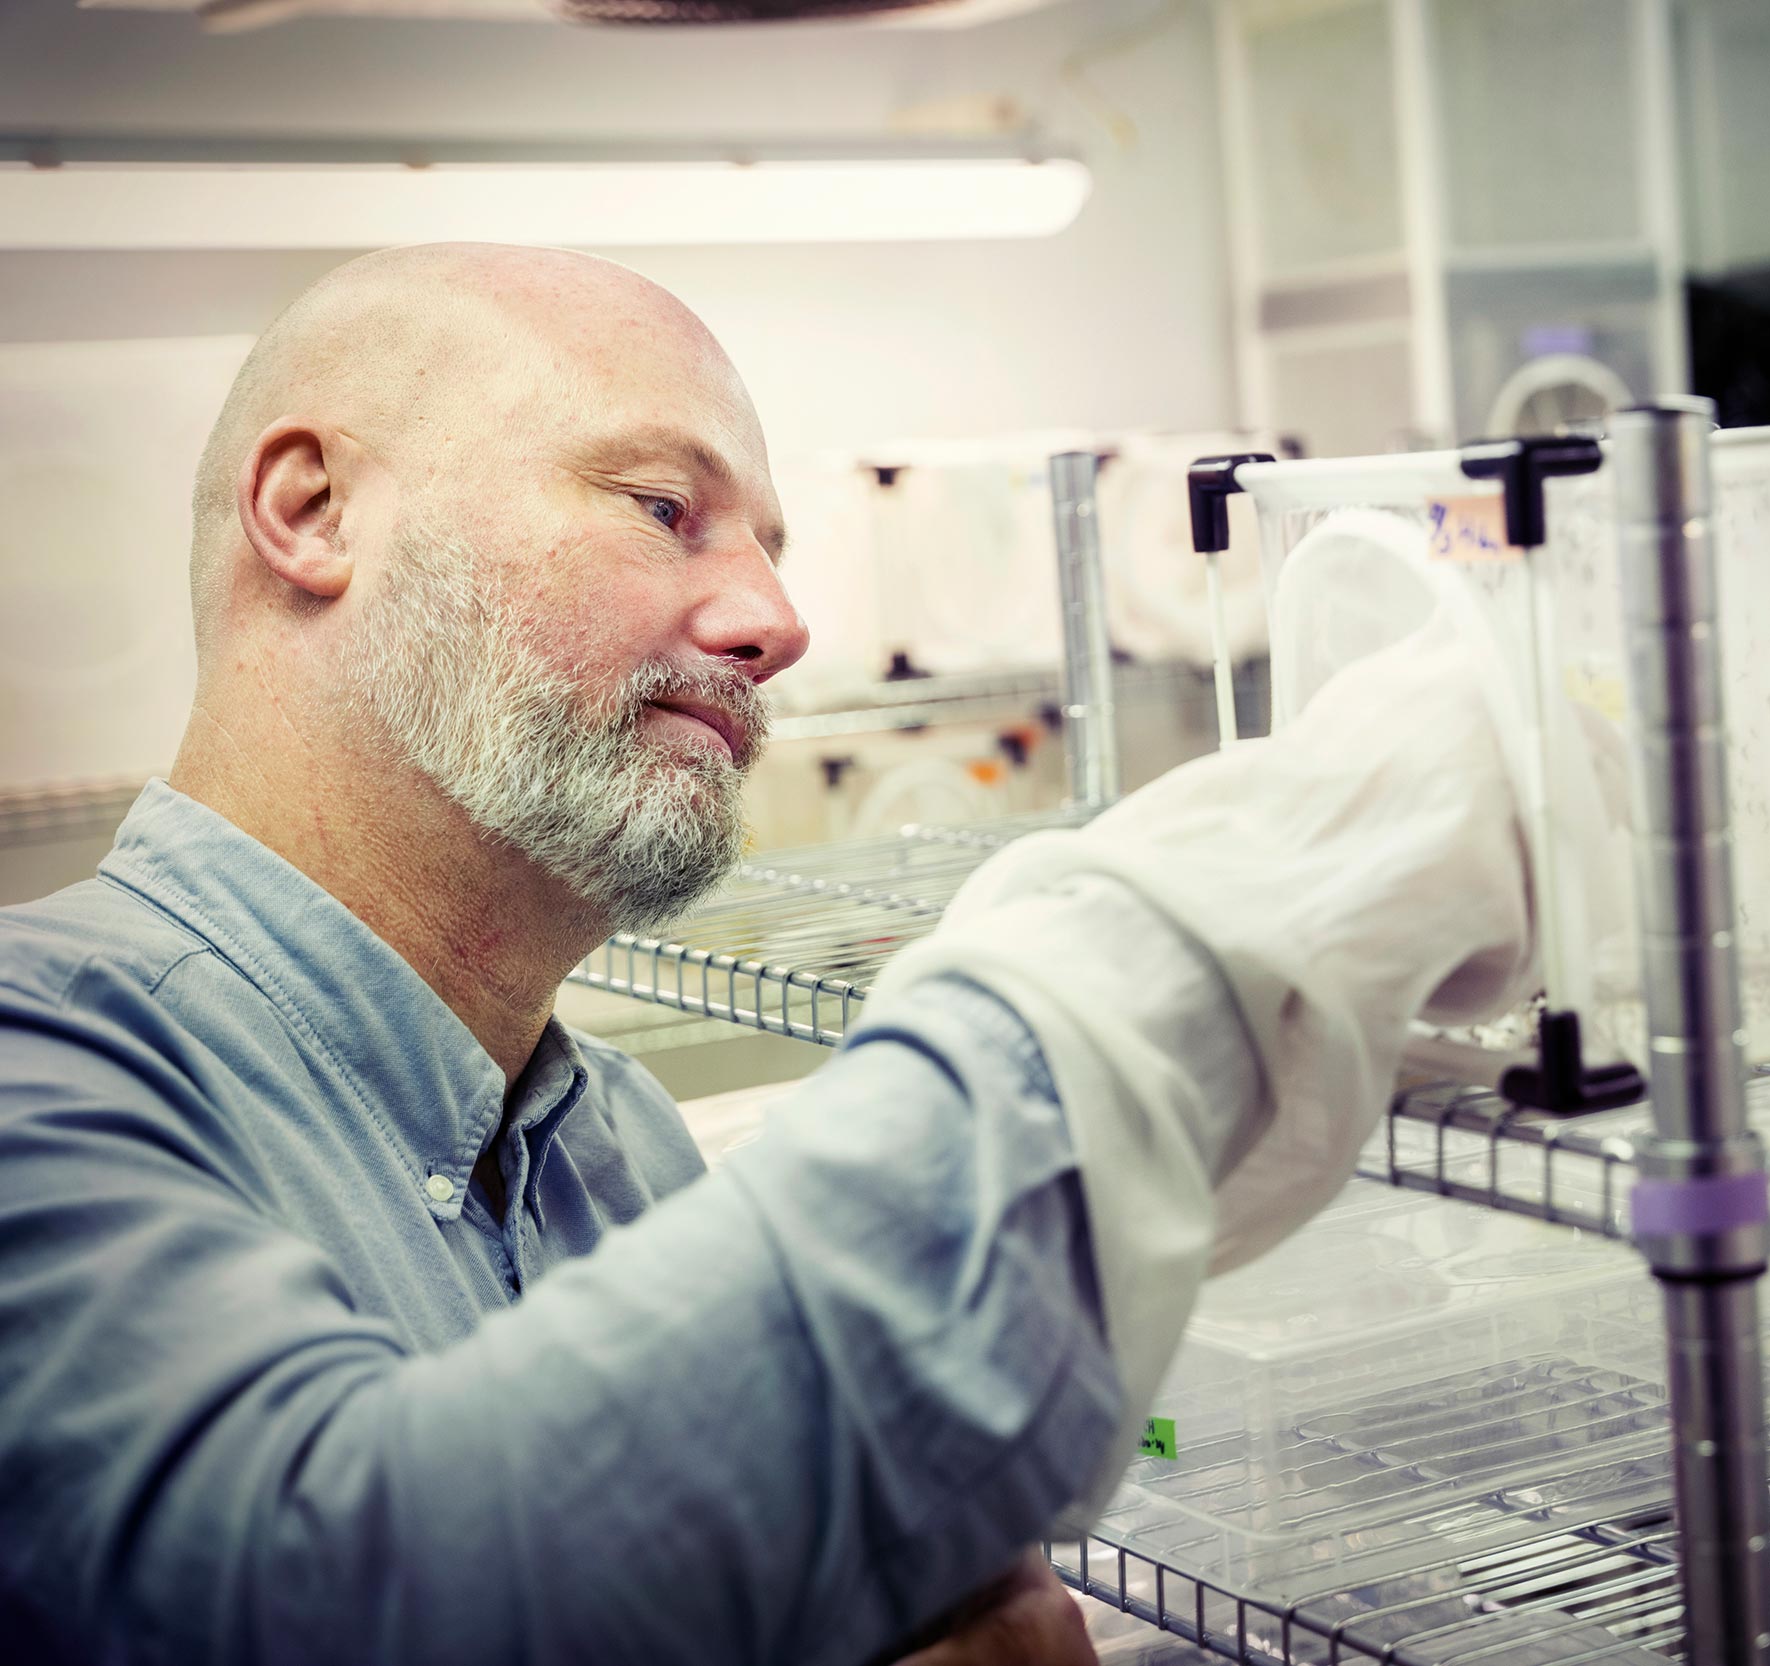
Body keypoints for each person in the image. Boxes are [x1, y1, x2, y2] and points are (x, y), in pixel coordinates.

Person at [0, 243, 1534, 1665]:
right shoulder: (39, 1068)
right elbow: (327, 1594)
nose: (779, 618)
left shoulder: (619, 1153)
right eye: (665, 507)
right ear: (316, 510)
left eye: (773, 545)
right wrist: (1130, 970)